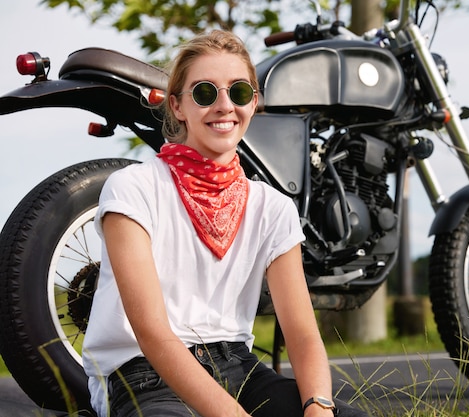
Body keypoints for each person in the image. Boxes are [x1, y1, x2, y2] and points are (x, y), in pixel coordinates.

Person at [82, 30, 370, 417]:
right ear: (178, 106)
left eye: (238, 93)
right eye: (204, 92)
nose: (223, 105)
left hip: (237, 367)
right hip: (144, 371)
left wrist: (318, 405)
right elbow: (152, 334)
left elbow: (302, 332)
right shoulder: (133, 188)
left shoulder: (273, 207)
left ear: (253, 103)